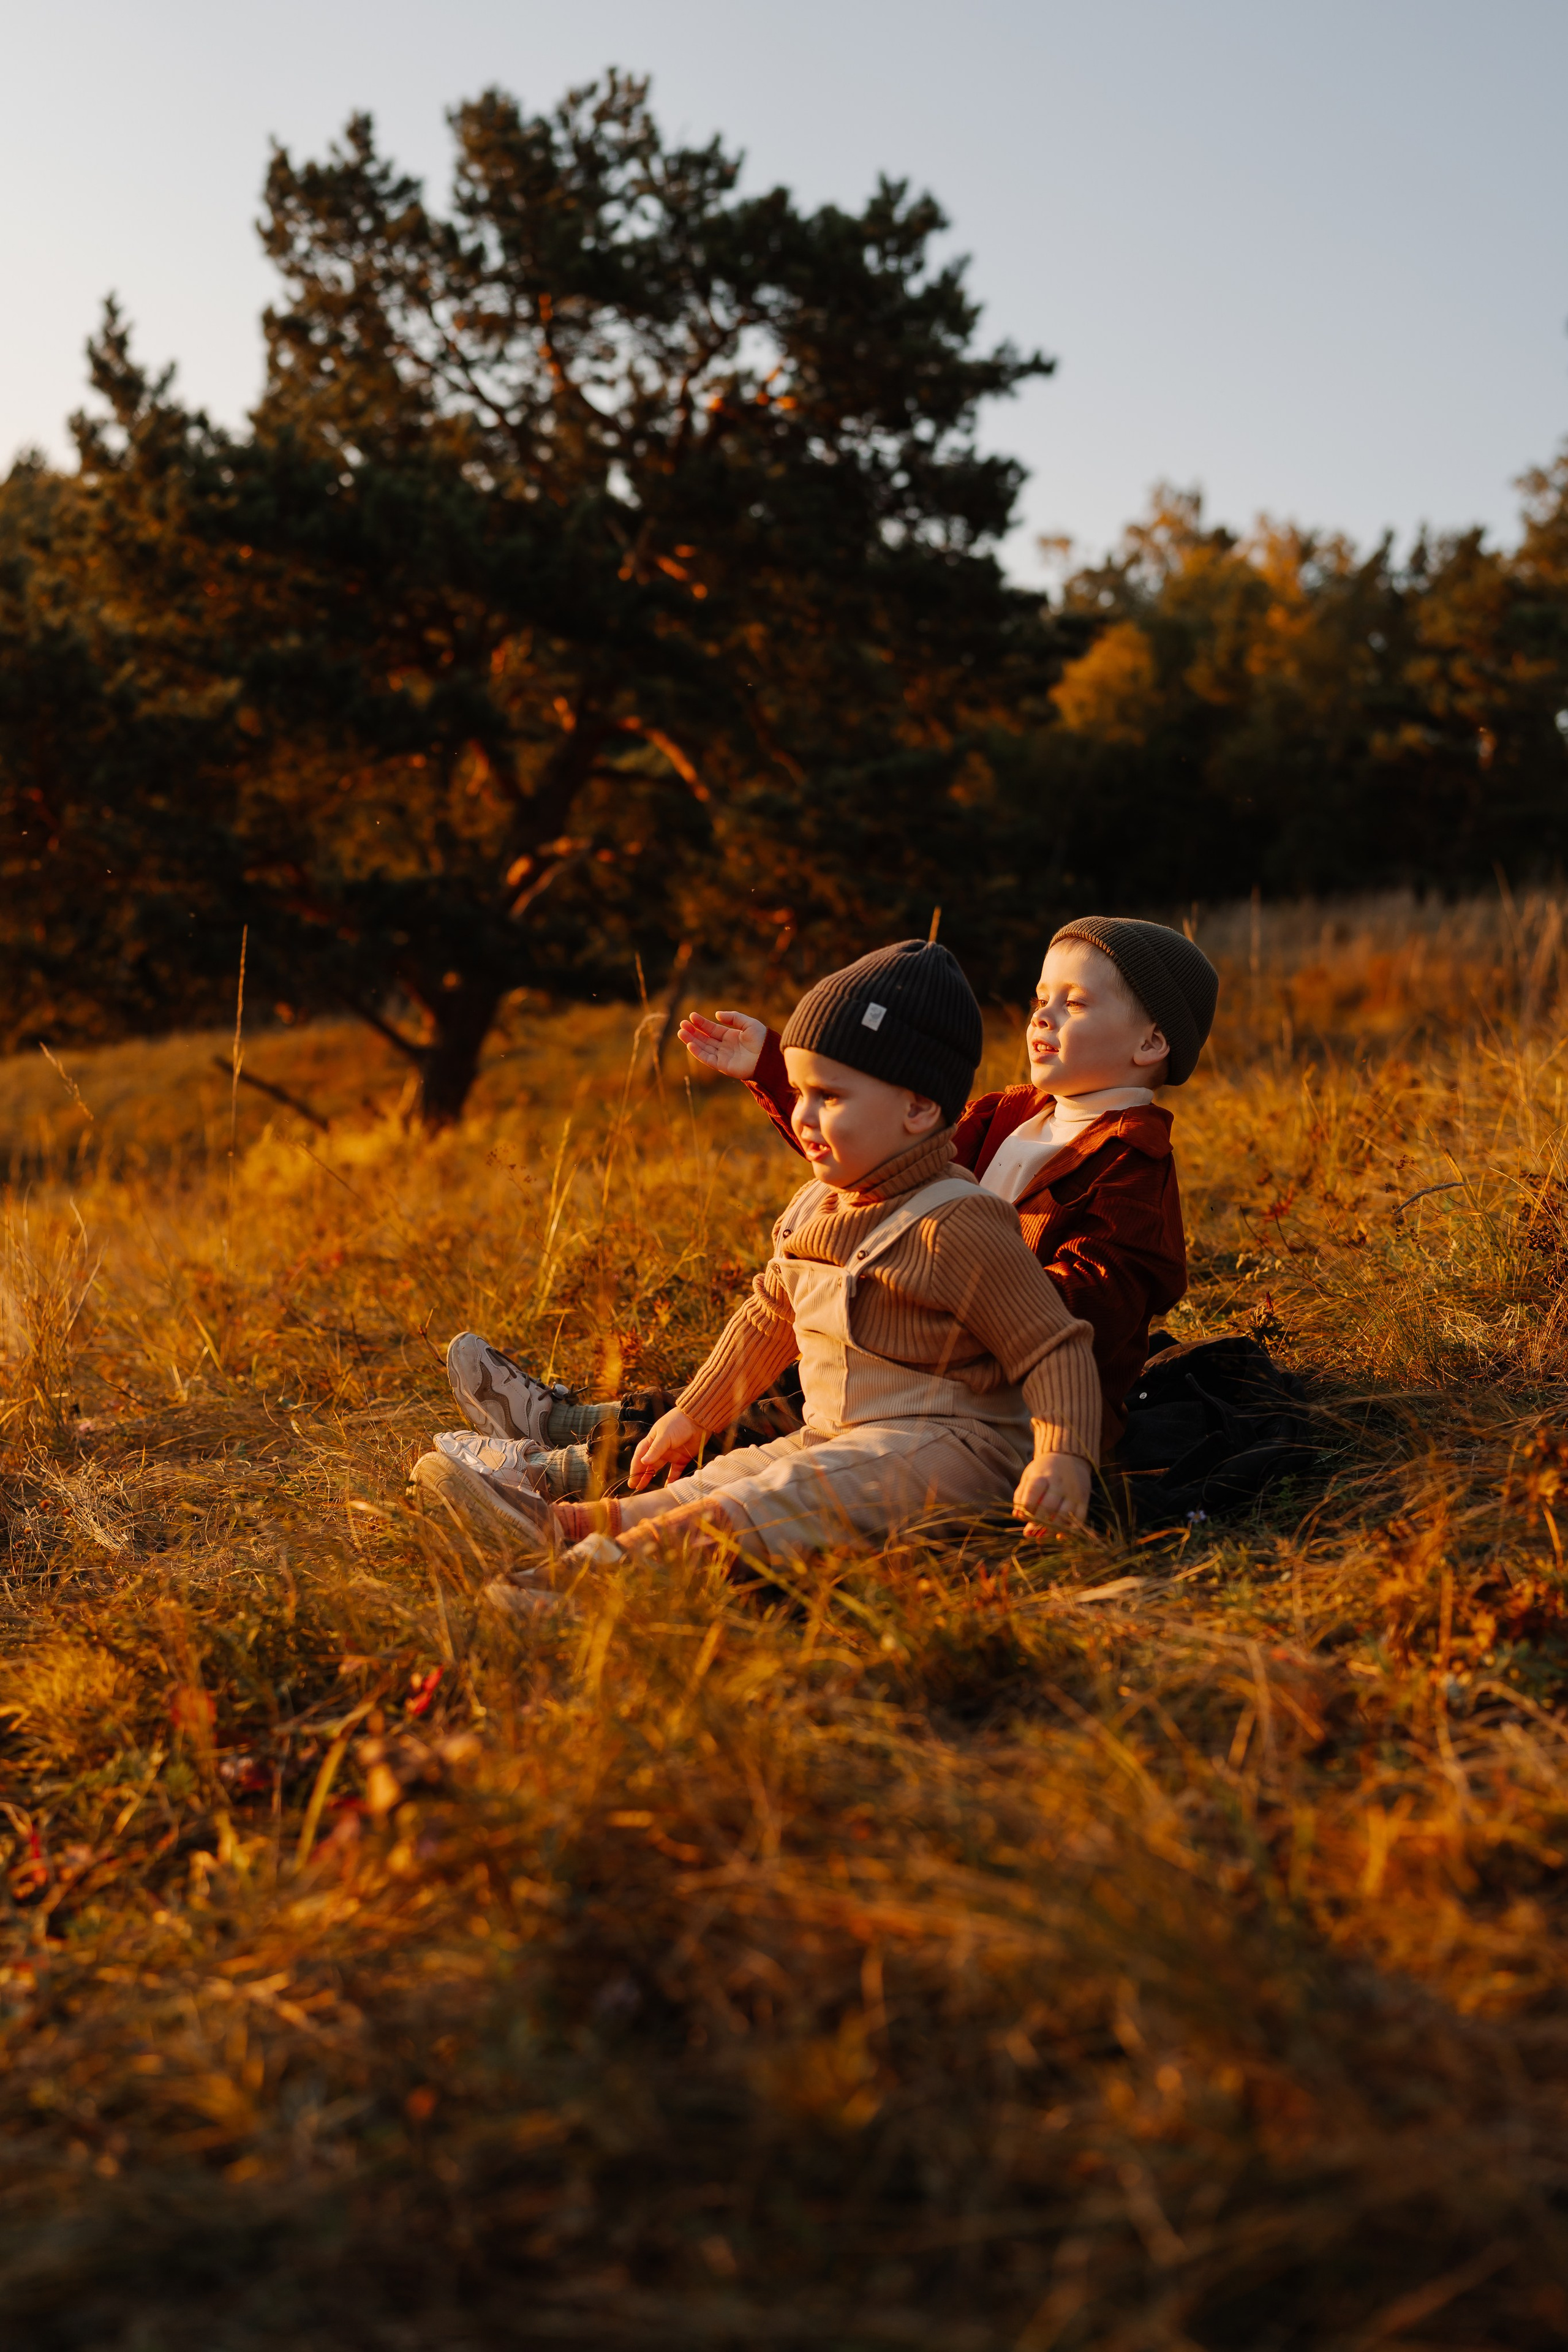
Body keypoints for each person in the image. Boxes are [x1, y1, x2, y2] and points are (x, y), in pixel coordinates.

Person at [411, 939, 1102, 1573]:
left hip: (954, 1453)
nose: (802, 1116)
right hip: (842, 1435)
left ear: (919, 1111)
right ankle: (561, 1528)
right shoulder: (817, 1205)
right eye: (800, 1092)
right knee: (730, 1475)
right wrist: (692, 1415)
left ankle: (585, 1585)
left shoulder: (957, 1222)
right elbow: (767, 1318)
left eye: (828, 1097)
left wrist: (1065, 1455)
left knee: (757, 1505)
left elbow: (1052, 1348)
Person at [679, 916, 1218, 1450]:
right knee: (789, 1382)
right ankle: (612, 1431)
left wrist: (930, 1295)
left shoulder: (1132, 1165)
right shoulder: (1009, 1113)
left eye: (1072, 1004)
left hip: (1016, 1416)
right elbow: (882, 1156)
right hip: (912, 1368)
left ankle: (636, 1468)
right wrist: (774, 1068)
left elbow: (1088, 1308)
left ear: (1150, 1043)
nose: (1043, 1019)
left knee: (789, 1424)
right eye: (1039, 1001)